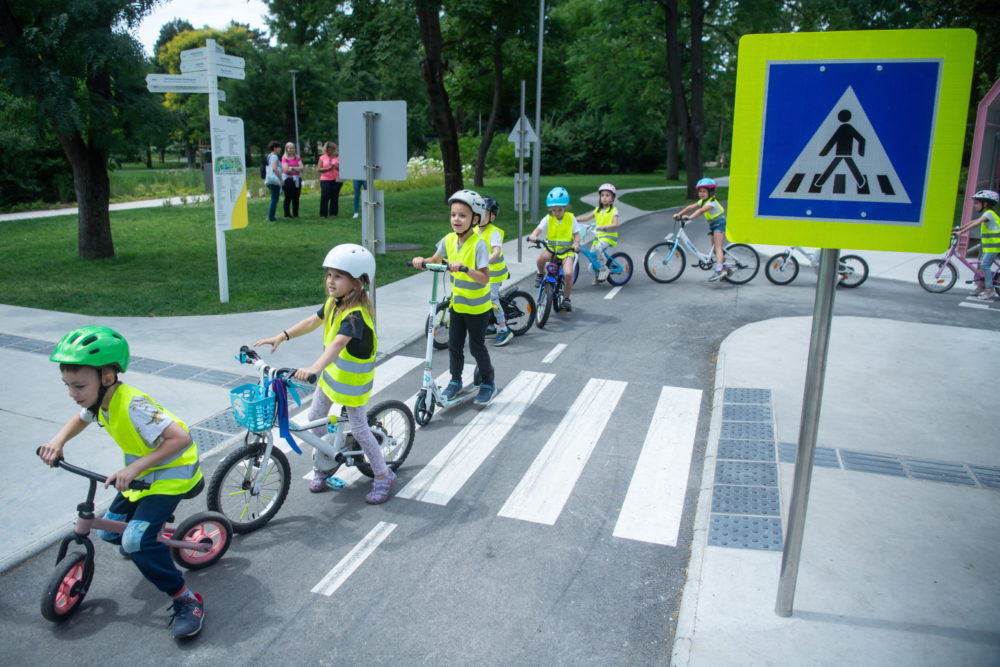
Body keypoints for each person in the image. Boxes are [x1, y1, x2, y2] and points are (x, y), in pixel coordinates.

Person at [37, 326, 207, 639]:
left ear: (107, 378)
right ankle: (151, 539)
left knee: (134, 542)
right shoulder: (100, 402)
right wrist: (58, 441)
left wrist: (134, 468)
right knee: (109, 532)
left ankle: (186, 600)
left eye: (79, 386)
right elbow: (80, 418)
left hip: (170, 478)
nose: (73, 393)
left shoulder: (133, 405)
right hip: (142, 478)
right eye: (68, 385)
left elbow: (181, 439)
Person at [254, 244, 397, 503]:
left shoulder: (355, 317)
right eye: (329, 274)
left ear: (357, 282)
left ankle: (382, 475)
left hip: (352, 385)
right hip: (331, 379)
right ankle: (325, 463)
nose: (330, 281)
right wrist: (282, 336)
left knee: (360, 430)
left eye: (338, 276)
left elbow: (338, 344)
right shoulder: (334, 303)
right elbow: (311, 321)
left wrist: (312, 368)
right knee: (314, 418)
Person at [410, 190, 497, 406]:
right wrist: (421, 260)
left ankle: (488, 383)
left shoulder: (479, 245)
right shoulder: (448, 239)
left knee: (476, 347)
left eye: (462, 215)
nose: (456, 219)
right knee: (454, 346)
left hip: (477, 308)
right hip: (457, 304)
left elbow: (484, 278)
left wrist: (465, 269)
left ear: (475, 219)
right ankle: (455, 381)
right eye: (453, 214)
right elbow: (435, 259)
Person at [528, 186, 582, 312]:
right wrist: (533, 236)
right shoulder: (548, 218)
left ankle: (567, 299)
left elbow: (576, 235)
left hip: (567, 251)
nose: (556, 213)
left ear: (565, 208)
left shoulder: (571, 218)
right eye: (554, 210)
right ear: (550, 209)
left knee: (568, 273)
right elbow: (538, 229)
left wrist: (576, 243)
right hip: (551, 249)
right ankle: (540, 274)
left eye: (560, 210)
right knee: (540, 259)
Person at [675, 177, 727, 281]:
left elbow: (700, 211)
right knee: (715, 250)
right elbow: (690, 207)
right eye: (700, 191)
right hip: (713, 225)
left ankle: (719, 271)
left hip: (719, 224)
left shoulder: (711, 203)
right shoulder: (703, 201)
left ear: (711, 192)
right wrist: (679, 214)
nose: (701, 194)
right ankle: (725, 268)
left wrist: (689, 217)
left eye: (704, 191)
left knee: (718, 248)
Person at [478, 196, 513, 346]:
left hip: (494, 272)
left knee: (491, 297)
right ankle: (490, 325)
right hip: (481, 272)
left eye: (485, 214)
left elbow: (496, 252)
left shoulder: (494, 232)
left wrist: (485, 261)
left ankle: (504, 329)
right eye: (478, 213)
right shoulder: (473, 230)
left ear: (492, 216)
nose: (480, 216)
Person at [955, 189, 1000, 301]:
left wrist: (961, 232)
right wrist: (959, 228)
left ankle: (989, 290)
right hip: (989, 246)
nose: (974, 205)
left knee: (984, 265)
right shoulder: (988, 213)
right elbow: (973, 221)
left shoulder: (989, 214)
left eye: (976, 203)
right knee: (982, 265)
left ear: (985, 203)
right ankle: (981, 286)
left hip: (994, 246)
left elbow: (976, 223)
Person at [576, 183, 621, 285]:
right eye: (602, 195)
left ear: (612, 198)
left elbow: (615, 224)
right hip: (599, 237)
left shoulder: (614, 210)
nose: (604, 197)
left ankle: (604, 270)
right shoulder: (597, 210)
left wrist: (604, 227)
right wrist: (575, 219)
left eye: (607, 195)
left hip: (609, 237)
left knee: (598, 248)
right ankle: (597, 277)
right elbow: (586, 218)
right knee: (592, 256)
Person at [318, 142, 343, 218]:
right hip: (325, 179)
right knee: (325, 195)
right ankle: (323, 214)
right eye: (328, 150)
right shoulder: (322, 157)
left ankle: (333, 213)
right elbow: (319, 169)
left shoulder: (339, 158)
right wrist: (327, 169)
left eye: (331, 149)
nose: (329, 151)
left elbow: (344, 169)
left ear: (334, 149)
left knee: (334, 196)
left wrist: (338, 167)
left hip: (337, 179)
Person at [281, 142, 303, 219]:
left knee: (296, 197)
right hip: (287, 180)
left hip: (297, 179)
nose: (291, 149)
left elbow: (302, 168)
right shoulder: (284, 158)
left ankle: (295, 214)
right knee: (288, 197)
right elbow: (286, 170)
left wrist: (292, 168)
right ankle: (287, 214)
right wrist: (297, 169)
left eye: (293, 148)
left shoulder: (297, 157)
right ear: (286, 149)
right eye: (289, 148)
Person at [264, 141, 283, 222]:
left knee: (273, 199)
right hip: (274, 180)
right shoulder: (274, 156)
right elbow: (274, 168)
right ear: (275, 148)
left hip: (270, 180)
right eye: (279, 147)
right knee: (274, 199)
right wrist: (281, 179)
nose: (280, 149)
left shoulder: (269, 156)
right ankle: (271, 217)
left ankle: (270, 216)